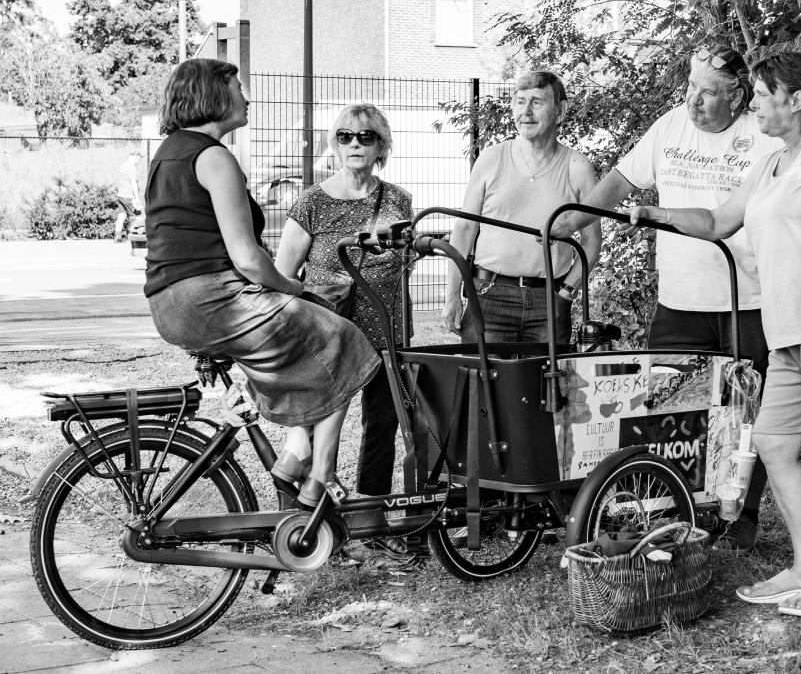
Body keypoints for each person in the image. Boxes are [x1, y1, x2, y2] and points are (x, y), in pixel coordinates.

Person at [625, 51, 801, 618]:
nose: (751, 104)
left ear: (795, 100)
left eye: (759, 94)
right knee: (775, 445)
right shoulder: (774, 163)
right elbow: (715, 222)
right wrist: (650, 214)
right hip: (790, 330)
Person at [555, 45, 784, 553]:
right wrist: (570, 218)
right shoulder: (668, 127)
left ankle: (742, 514)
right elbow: (619, 182)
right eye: (690, 87)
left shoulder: (762, 137)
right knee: (666, 411)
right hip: (679, 301)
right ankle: (678, 509)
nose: (692, 101)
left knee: (749, 413)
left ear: (738, 96)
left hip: (750, 300)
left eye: (706, 92)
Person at [144, 58, 380, 510]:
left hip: (170, 304)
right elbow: (249, 259)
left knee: (302, 352)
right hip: (212, 299)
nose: (246, 96)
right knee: (346, 340)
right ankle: (319, 479)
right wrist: (291, 288)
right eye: (237, 87)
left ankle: (296, 452)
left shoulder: (168, 153)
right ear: (214, 95)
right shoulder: (213, 157)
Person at [275, 103, 414, 558]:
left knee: (383, 423)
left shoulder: (398, 199)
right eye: (344, 137)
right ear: (334, 145)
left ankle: (370, 522)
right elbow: (282, 271)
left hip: (386, 330)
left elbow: (404, 264)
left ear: (382, 146)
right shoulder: (313, 201)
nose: (354, 144)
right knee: (318, 428)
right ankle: (311, 527)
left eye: (365, 137)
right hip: (330, 335)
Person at [442, 70, 601, 345]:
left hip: (549, 299)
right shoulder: (491, 159)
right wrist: (453, 294)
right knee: (482, 384)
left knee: (547, 386)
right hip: (489, 293)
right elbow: (465, 229)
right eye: (519, 101)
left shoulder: (578, 168)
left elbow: (592, 241)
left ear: (560, 111)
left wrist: (566, 291)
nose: (525, 112)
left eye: (537, 102)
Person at [114, 151, 143, 242]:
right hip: (129, 195)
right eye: (139, 158)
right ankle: (133, 236)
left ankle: (117, 236)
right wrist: (137, 198)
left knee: (121, 215)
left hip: (121, 195)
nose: (139, 160)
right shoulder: (132, 167)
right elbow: (133, 183)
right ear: (135, 156)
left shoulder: (123, 166)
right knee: (135, 216)